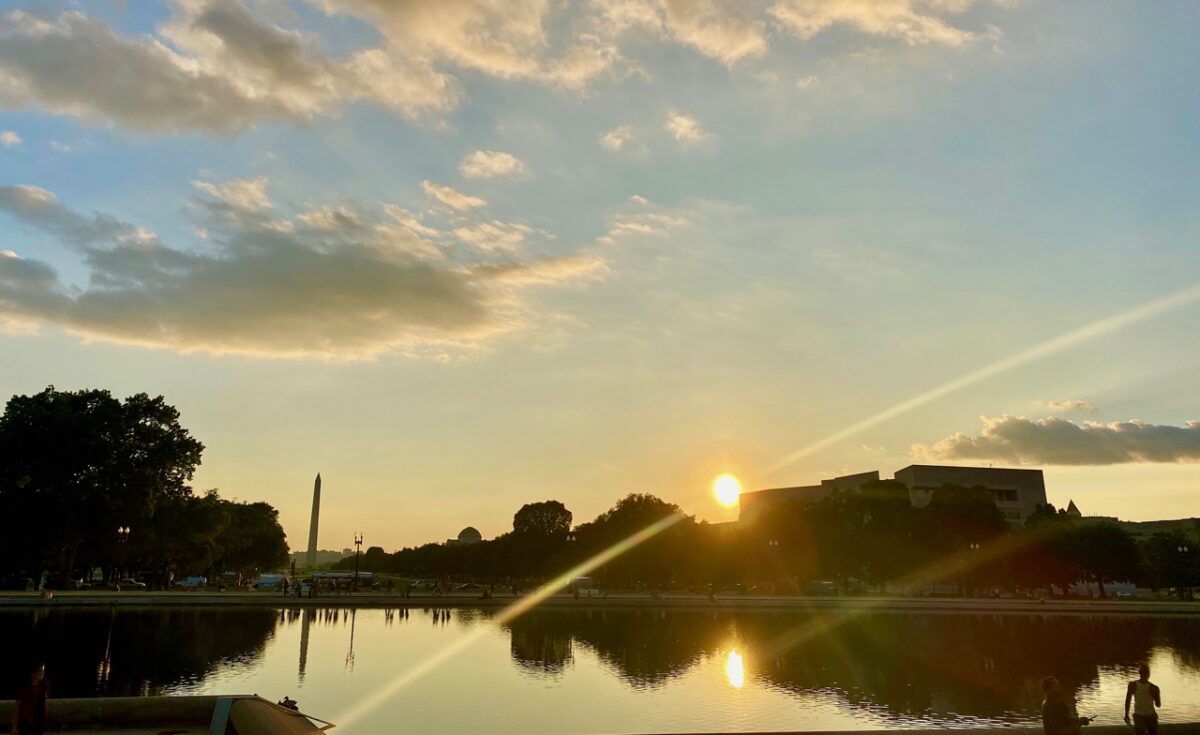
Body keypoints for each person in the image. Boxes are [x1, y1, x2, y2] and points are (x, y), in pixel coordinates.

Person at [12, 662, 49, 735]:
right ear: (34, 672)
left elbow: (44, 704)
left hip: (37, 722)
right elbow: (17, 708)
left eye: (43, 671)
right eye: (40, 671)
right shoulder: (24, 687)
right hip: (24, 722)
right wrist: (14, 727)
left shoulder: (44, 686)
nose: (41, 674)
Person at [1125, 664, 1161, 735]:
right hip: (1151, 714)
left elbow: (1128, 701)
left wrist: (1126, 715)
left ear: (1139, 673)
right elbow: (1158, 704)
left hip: (1138, 714)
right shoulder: (1154, 688)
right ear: (1148, 674)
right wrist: (1155, 696)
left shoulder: (1132, 685)